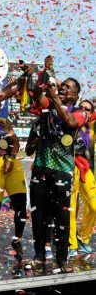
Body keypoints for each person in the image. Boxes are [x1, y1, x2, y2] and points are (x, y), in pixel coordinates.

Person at [29, 70, 87, 272]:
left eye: (67, 87)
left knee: (62, 217)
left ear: (75, 95)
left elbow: (71, 122)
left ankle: (62, 259)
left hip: (63, 171)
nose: (62, 88)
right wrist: (39, 78)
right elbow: (37, 96)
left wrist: (54, 97)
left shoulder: (81, 111)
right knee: (39, 216)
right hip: (41, 168)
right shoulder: (48, 106)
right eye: (61, 86)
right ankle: (39, 255)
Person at [0, 99, 27, 263]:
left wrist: (10, 157)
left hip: (12, 162)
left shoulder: (4, 122)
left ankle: (18, 239)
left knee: (21, 204)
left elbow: (15, 142)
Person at [68, 99, 96, 257]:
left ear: (92, 113)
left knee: (94, 206)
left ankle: (82, 237)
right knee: (71, 209)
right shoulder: (69, 122)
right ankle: (71, 244)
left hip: (85, 168)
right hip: (69, 167)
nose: (84, 111)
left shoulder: (91, 127)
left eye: (88, 109)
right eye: (82, 108)